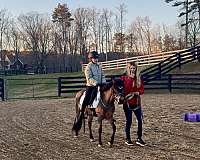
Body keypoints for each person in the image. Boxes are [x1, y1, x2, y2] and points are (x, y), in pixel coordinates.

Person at [72, 51, 106, 132]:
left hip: (100, 85)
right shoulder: (88, 67)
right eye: (94, 58)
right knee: (87, 99)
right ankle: (83, 111)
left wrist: (104, 82)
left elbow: (103, 75)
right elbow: (89, 77)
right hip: (91, 86)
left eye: (97, 58)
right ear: (91, 59)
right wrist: (95, 83)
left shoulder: (99, 66)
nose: (96, 59)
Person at [120, 62, 146, 146]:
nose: (132, 70)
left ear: (136, 69)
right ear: (128, 69)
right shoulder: (124, 78)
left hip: (136, 102)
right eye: (131, 68)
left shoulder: (138, 78)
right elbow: (122, 89)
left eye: (134, 68)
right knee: (129, 120)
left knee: (139, 120)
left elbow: (142, 89)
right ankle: (128, 138)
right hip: (127, 102)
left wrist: (138, 92)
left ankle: (139, 138)